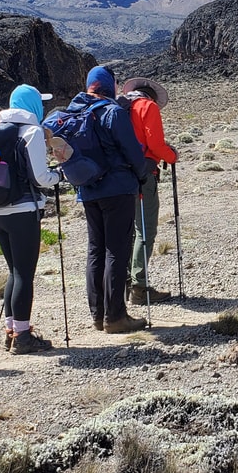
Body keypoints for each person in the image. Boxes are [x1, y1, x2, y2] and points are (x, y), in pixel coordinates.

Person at [65, 66, 149, 333]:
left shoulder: (74, 113)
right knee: (117, 250)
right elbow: (132, 151)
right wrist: (141, 175)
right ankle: (115, 317)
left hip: (88, 190)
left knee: (95, 250)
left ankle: (98, 315)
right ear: (109, 86)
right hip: (118, 188)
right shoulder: (113, 112)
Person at [0, 84, 62, 354]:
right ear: (32, 105)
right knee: (24, 274)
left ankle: (11, 331)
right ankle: (22, 336)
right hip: (23, 211)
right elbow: (40, 177)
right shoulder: (31, 132)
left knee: (13, 271)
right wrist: (59, 176)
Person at [121, 77, 178, 306]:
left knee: (127, 231)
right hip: (143, 175)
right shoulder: (148, 106)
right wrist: (172, 156)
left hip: (119, 177)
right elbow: (155, 144)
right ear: (152, 95)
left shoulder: (119, 107)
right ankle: (139, 286)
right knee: (145, 229)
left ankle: (123, 283)